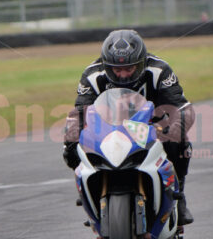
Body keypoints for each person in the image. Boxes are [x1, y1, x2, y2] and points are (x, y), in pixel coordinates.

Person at [62, 29, 195, 226]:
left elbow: (183, 107)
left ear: (141, 63)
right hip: (108, 127)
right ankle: (90, 194)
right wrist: (71, 138)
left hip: (153, 125)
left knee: (180, 143)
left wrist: (175, 129)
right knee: (71, 150)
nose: (123, 74)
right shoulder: (92, 75)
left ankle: (179, 194)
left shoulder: (159, 70)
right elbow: (79, 113)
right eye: (117, 70)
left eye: (129, 69)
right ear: (107, 66)